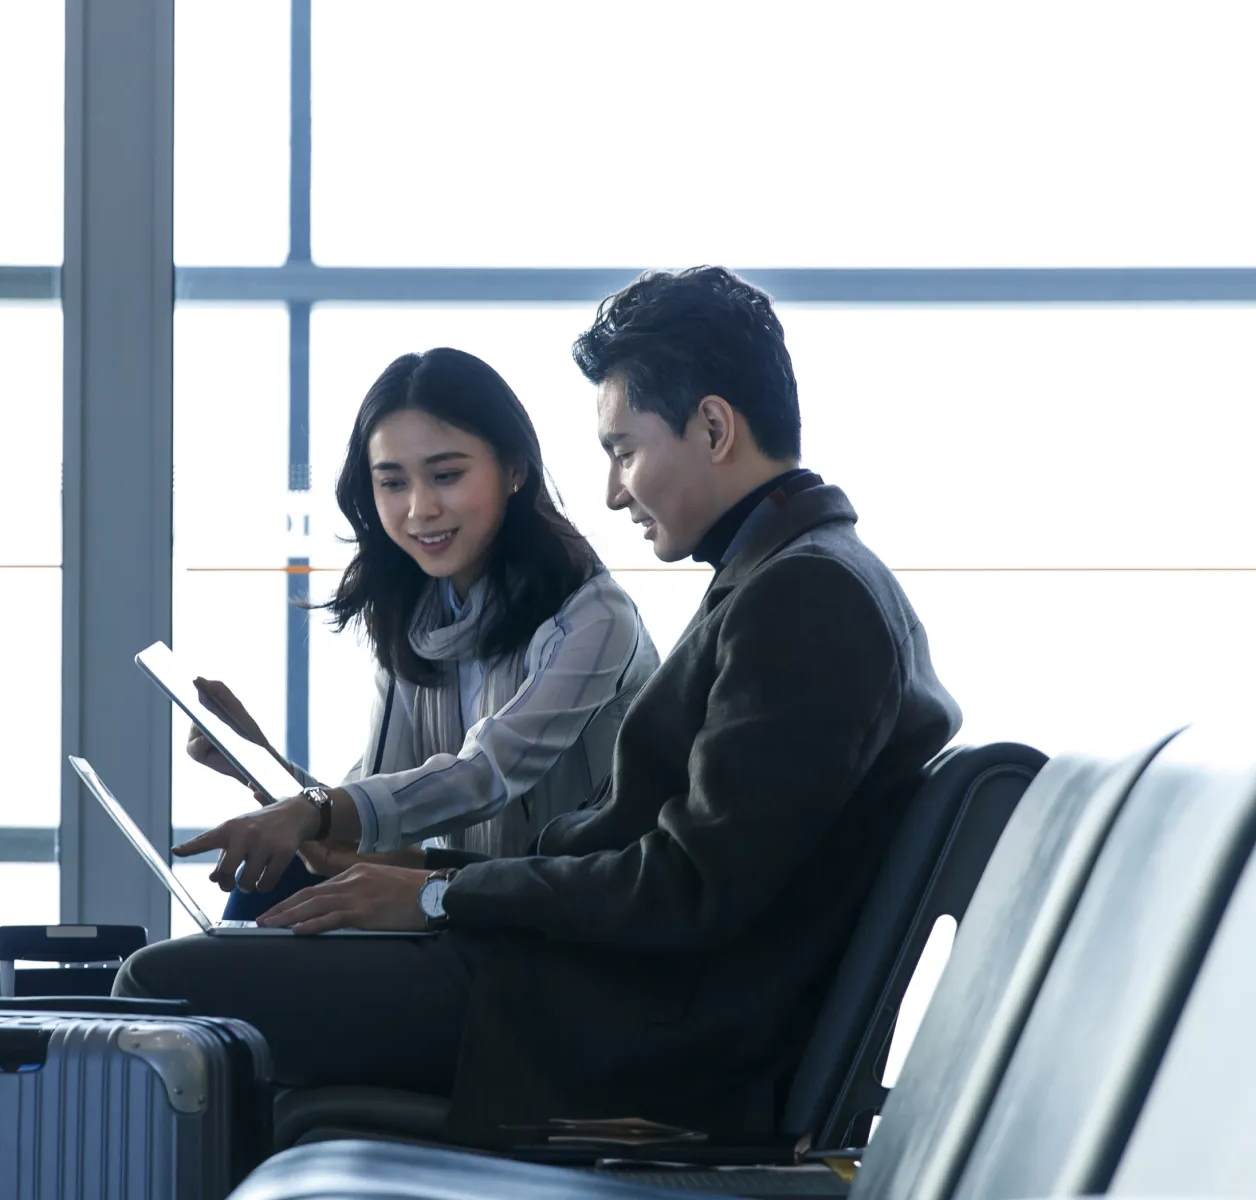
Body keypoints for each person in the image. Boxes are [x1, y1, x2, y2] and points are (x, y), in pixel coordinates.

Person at [116, 267, 962, 1144]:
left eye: (624, 449)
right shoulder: (792, 578)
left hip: (613, 1021)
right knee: (259, 949)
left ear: (712, 427)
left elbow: (686, 887)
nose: (613, 490)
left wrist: (442, 900)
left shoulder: (803, 600)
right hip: (593, 983)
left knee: (163, 992)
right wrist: (426, 880)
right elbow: (672, 866)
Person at [184, 346, 659, 920]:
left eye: (447, 475)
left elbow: (483, 775)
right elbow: (382, 818)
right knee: (258, 899)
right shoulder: (416, 613)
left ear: (514, 469)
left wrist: (310, 809)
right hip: (449, 902)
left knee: (202, 960)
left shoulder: (594, 618)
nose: (420, 509)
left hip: (554, 922)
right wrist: (263, 767)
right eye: (392, 483)